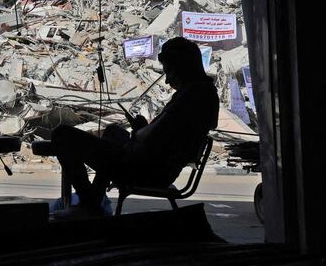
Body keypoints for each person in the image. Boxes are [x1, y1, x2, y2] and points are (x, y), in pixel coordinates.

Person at [51, 36, 219, 216]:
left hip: (143, 168)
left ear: (182, 67)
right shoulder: (205, 94)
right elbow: (164, 133)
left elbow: (150, 135)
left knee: (63, 135)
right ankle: (93, 200)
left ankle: (89, 203)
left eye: (169, 71)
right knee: (113, 131)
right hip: (155, 163)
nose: (167, 81)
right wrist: (143, 130)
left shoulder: (191, 97)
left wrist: (140, 129)